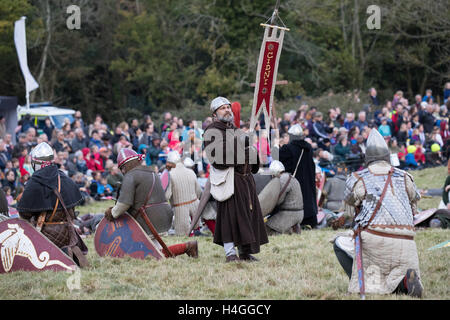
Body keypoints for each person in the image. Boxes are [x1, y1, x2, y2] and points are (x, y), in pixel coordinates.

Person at [333, 129, 423, 298]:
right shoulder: (405, 177)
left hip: (375, 239)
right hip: (407, 241)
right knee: (398, 274)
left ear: (367, 157)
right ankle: (404, 283)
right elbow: (414, 207)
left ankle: (367, 282)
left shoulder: (358, 177)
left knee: (339, 242)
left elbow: (349, 209)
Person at [203, 96, 268, 262]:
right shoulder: (212, 131)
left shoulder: (236, 129)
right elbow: (216, 158)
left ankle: (245, 252)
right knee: (229, 218)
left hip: (245, 180)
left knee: (246, 217)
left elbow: (249, 154)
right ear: (215, 114)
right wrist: (238, 143)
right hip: (229, 180)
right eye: (223, 108)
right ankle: (230, 253)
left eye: (228, 107)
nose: (227, 110)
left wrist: (250, 149)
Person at [104, 148, 198, 259]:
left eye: (122, 169)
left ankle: (187, 246)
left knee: (150, 255)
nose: (122, 172)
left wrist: (113, 213)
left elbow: (124, 203)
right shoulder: (151, 171)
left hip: (147, 219)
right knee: (156, 249)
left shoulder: (131, 176)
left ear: (124, 166)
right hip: (163, 215)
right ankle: (188, 247)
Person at [17, 142, 89, 267]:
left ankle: (62, 253)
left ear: (36, 163)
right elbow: (72, 211)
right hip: (68, 233)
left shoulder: (34, 182)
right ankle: (68, 251)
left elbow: (24, 213)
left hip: (44, 234)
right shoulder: (64, 177)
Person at [279, 124, 318, 228]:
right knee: (307, 200)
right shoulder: (308, 147)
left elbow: (281, 166)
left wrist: (277, 147)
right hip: (307, 180)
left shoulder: (287, 148)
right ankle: (309, 221)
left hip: (295, 181)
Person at [164, 151, 202, 236]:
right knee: (195, 230)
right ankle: (197, 231)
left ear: (171, 163)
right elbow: (199, 191)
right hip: (195, 206)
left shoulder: (170, 175)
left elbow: (167, 196)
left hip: (180, 208)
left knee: (183, 235)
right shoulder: (191, 172)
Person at [265, 160, 304, 235]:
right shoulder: (292, 178)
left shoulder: (283, 179)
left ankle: (289, 230)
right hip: (299, 213)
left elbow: (279, 199)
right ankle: (292, 227)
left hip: (289, 214)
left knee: (266, 227)